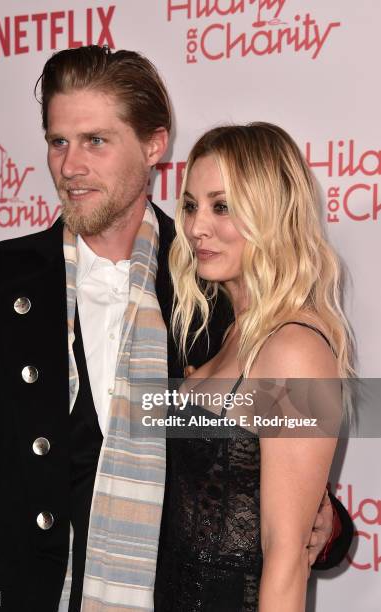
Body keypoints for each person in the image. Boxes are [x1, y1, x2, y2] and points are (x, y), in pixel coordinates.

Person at [0, 47, 352, 612]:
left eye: (96, 141)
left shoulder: (221, 293)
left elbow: (271, 489)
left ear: (154, 145)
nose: (70, 165)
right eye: (59, 141)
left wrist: (327, 529)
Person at [154, 123, 354, 611]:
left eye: (222, 206)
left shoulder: (296, 350)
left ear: (273, 214)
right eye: (191, 205)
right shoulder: (225, 328)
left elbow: (285, 561)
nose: (197, 226)